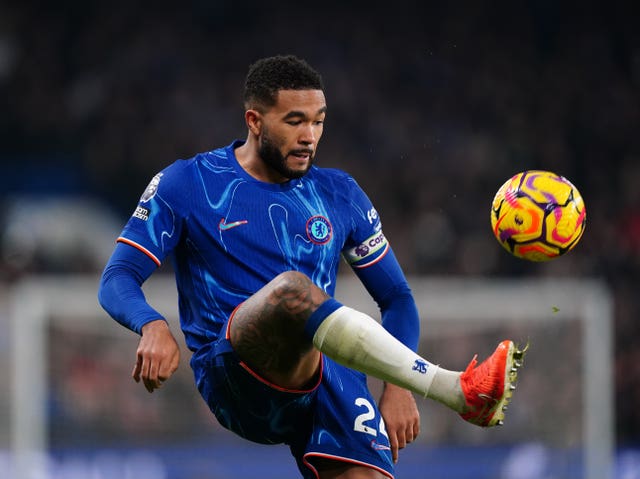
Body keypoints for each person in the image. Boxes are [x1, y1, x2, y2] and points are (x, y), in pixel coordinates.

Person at [98, 54, 526, 479]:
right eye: (295, 121)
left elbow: (396, 298)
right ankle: (456, 389)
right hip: (236, 371)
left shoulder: (339, 193)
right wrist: (151, 324)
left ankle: (431, 387)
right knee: (293, 291)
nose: (309, 136)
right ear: (255, 121)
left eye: (319, 122)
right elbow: (118, 277)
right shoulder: (189, 183)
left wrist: (396, 385)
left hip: (325, 380)